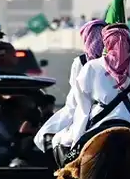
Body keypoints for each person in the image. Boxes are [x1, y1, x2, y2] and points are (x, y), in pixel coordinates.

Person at [59, 23, 130, 166]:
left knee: (66, 150)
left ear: (106, 43)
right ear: (129, 42)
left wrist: (79, 133)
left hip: (97, 124)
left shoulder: (91, 67)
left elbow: (83, 107)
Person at [36, 19, 106, 155]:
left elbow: (75, 95)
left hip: (85, 110)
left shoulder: (81, 62)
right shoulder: (117, 62)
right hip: (120, 113)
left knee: (58, 141)